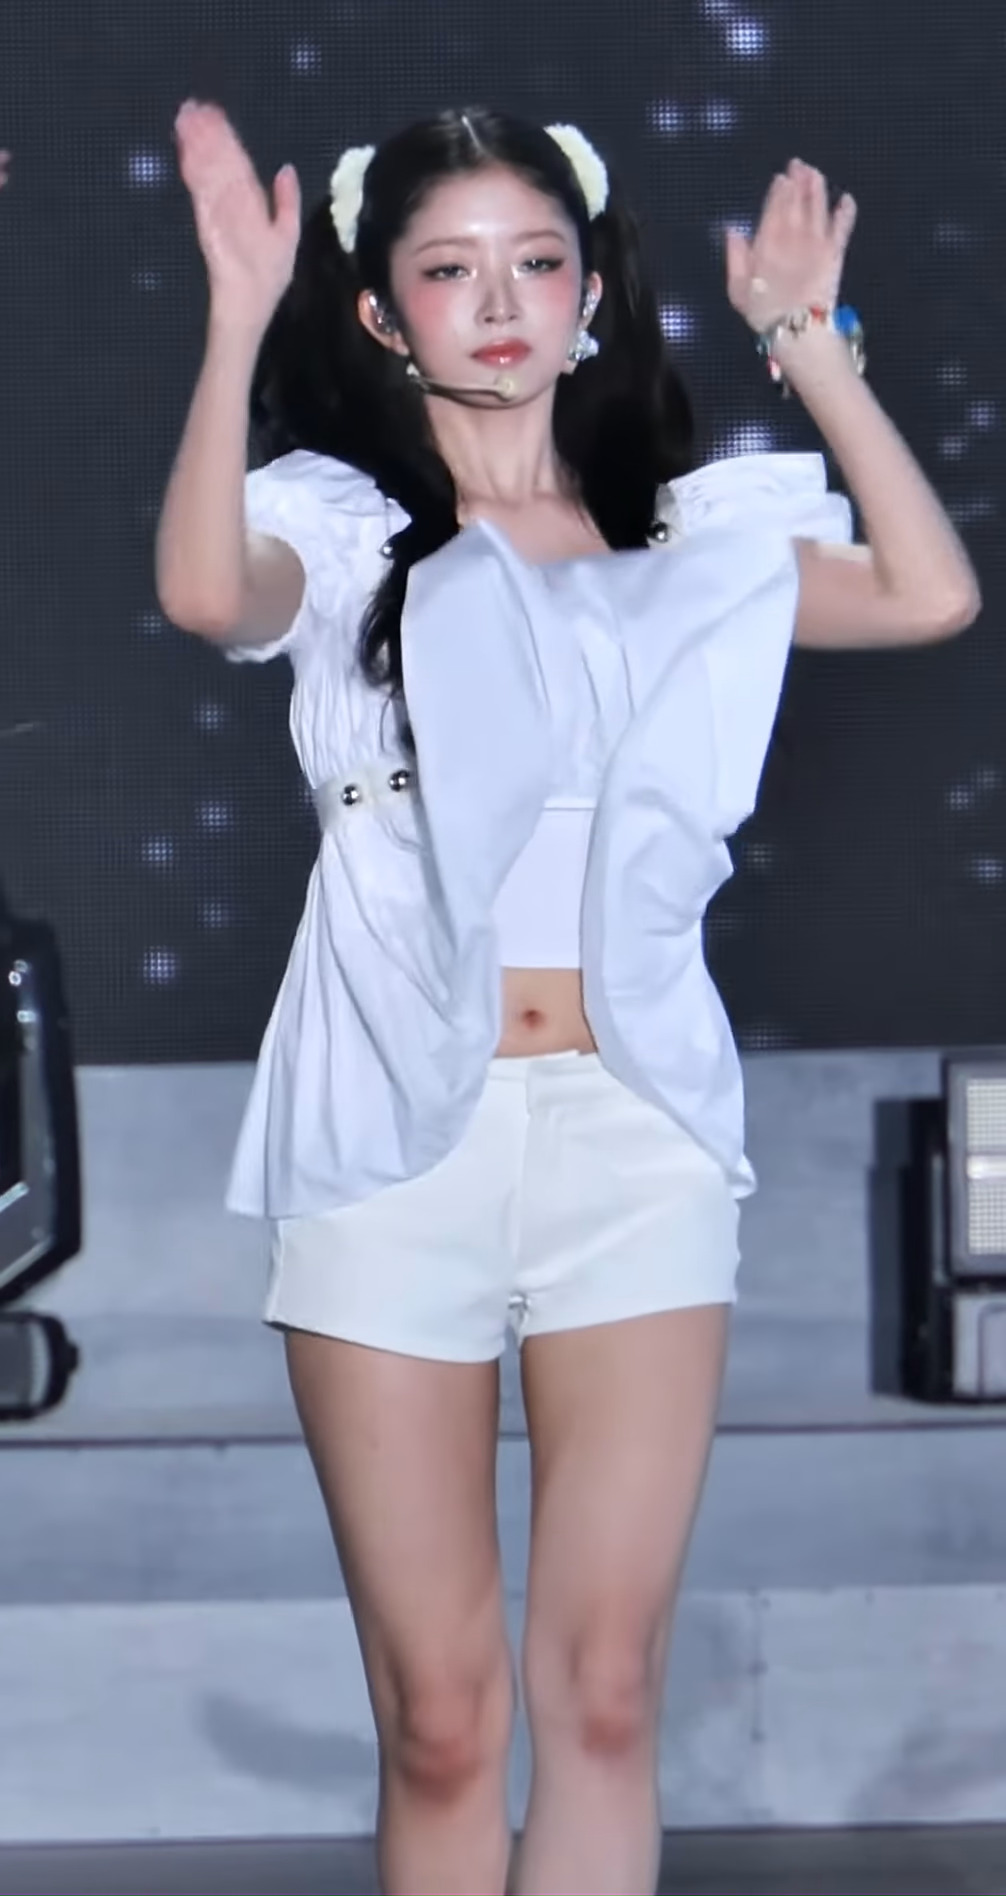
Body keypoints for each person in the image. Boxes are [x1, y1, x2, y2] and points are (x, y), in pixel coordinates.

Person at [157, 98, 979, 1896]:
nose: (498, 302)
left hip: (636, 1138)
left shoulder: (686, 540)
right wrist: (231, 319)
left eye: (536, 261)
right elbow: (206, 589)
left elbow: (928, 595)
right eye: (448, 270)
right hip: (392, 1145)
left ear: (590, 289)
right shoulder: (337, 535)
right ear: (380, 313)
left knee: (603, 1695)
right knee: (443, 1719)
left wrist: (805, 345)